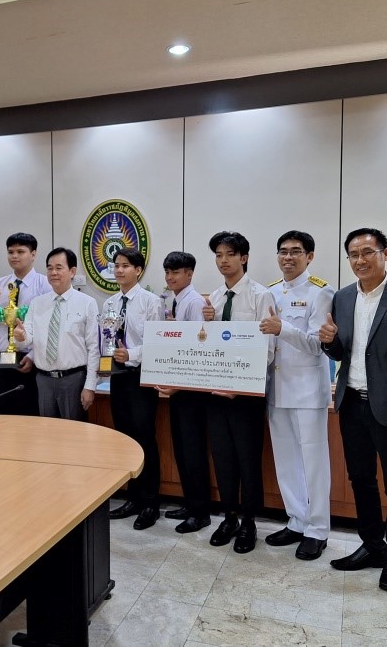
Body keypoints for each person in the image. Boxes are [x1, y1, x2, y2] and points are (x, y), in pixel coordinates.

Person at [319, 227, 387, 592]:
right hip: (351, 404)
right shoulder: (343, 297)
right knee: (361, 480)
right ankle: (371, 546)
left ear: (385, 253)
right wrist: (329, 344)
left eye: (368, 252)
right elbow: (342, 353)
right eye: (353, 254)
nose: (360, 260)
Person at [260, 231, 334, 560]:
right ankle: (297, 520)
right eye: (283, 252)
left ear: (310, 256)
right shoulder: (271, 292)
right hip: (277, 388)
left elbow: (319, 344)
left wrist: (283, 329)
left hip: (306, 391)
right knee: (287, 460)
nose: (288, 258)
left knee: (314, 462)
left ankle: (318, 529)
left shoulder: (321, 292)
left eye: (295, 252)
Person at [202, 231, 275, 554]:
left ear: (244, 257)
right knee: (223, 457)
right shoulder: (214, 299)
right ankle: (228, 515)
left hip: (246, 395)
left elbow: (268, 350)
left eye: (230, 254)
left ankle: (249, 521)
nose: (223, 260)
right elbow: (208, 346)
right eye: (218, 255)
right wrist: (205, 326)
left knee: (247, 459)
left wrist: (239, 383)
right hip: (216, 392)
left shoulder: (260, 296)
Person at [105, 247, 165, 530]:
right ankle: (133, 497)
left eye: (125, 266)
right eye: (116, 265)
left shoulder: (151, 302)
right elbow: (106, 339)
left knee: (144, 437)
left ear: (138, 270)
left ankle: (151, 502)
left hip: (142, 376)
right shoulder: (110, 303)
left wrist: (132, 355)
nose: (119, 271)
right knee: (125, 438)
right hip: (117, 377)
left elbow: (157, 341)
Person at [156, 251, 211, 534]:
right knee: (182, 449)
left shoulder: (194, 302)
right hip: (179, 387)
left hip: (191, 390)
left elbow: (195, 350)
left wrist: (178, 384)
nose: (170, 277)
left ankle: (201, 512)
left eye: (176, 272)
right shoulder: (176, 301)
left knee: (193, 451)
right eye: (167, 272)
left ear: (189, 274)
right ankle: (191, 503)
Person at [13, 248, 100, 420]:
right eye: (49, 268)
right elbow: (26, 340)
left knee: (73, 435)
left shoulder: (87, 303)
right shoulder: (37, 303)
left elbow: (93, 347)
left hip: (73, 380)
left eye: (59, 267)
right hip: (43, 379)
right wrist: (20, 337)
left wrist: (90, 386)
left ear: (72, 271)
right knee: (47, 434)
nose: (53, 272)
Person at [0, 232, 52, 416]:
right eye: (11, 252)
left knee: (29, 416)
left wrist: (34, 356)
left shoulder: (45, 285)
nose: (14, 256)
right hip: (1, 360)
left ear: (33, 254)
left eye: (20, 251)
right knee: (0, 415)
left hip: (29, 360)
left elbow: (49, 327)